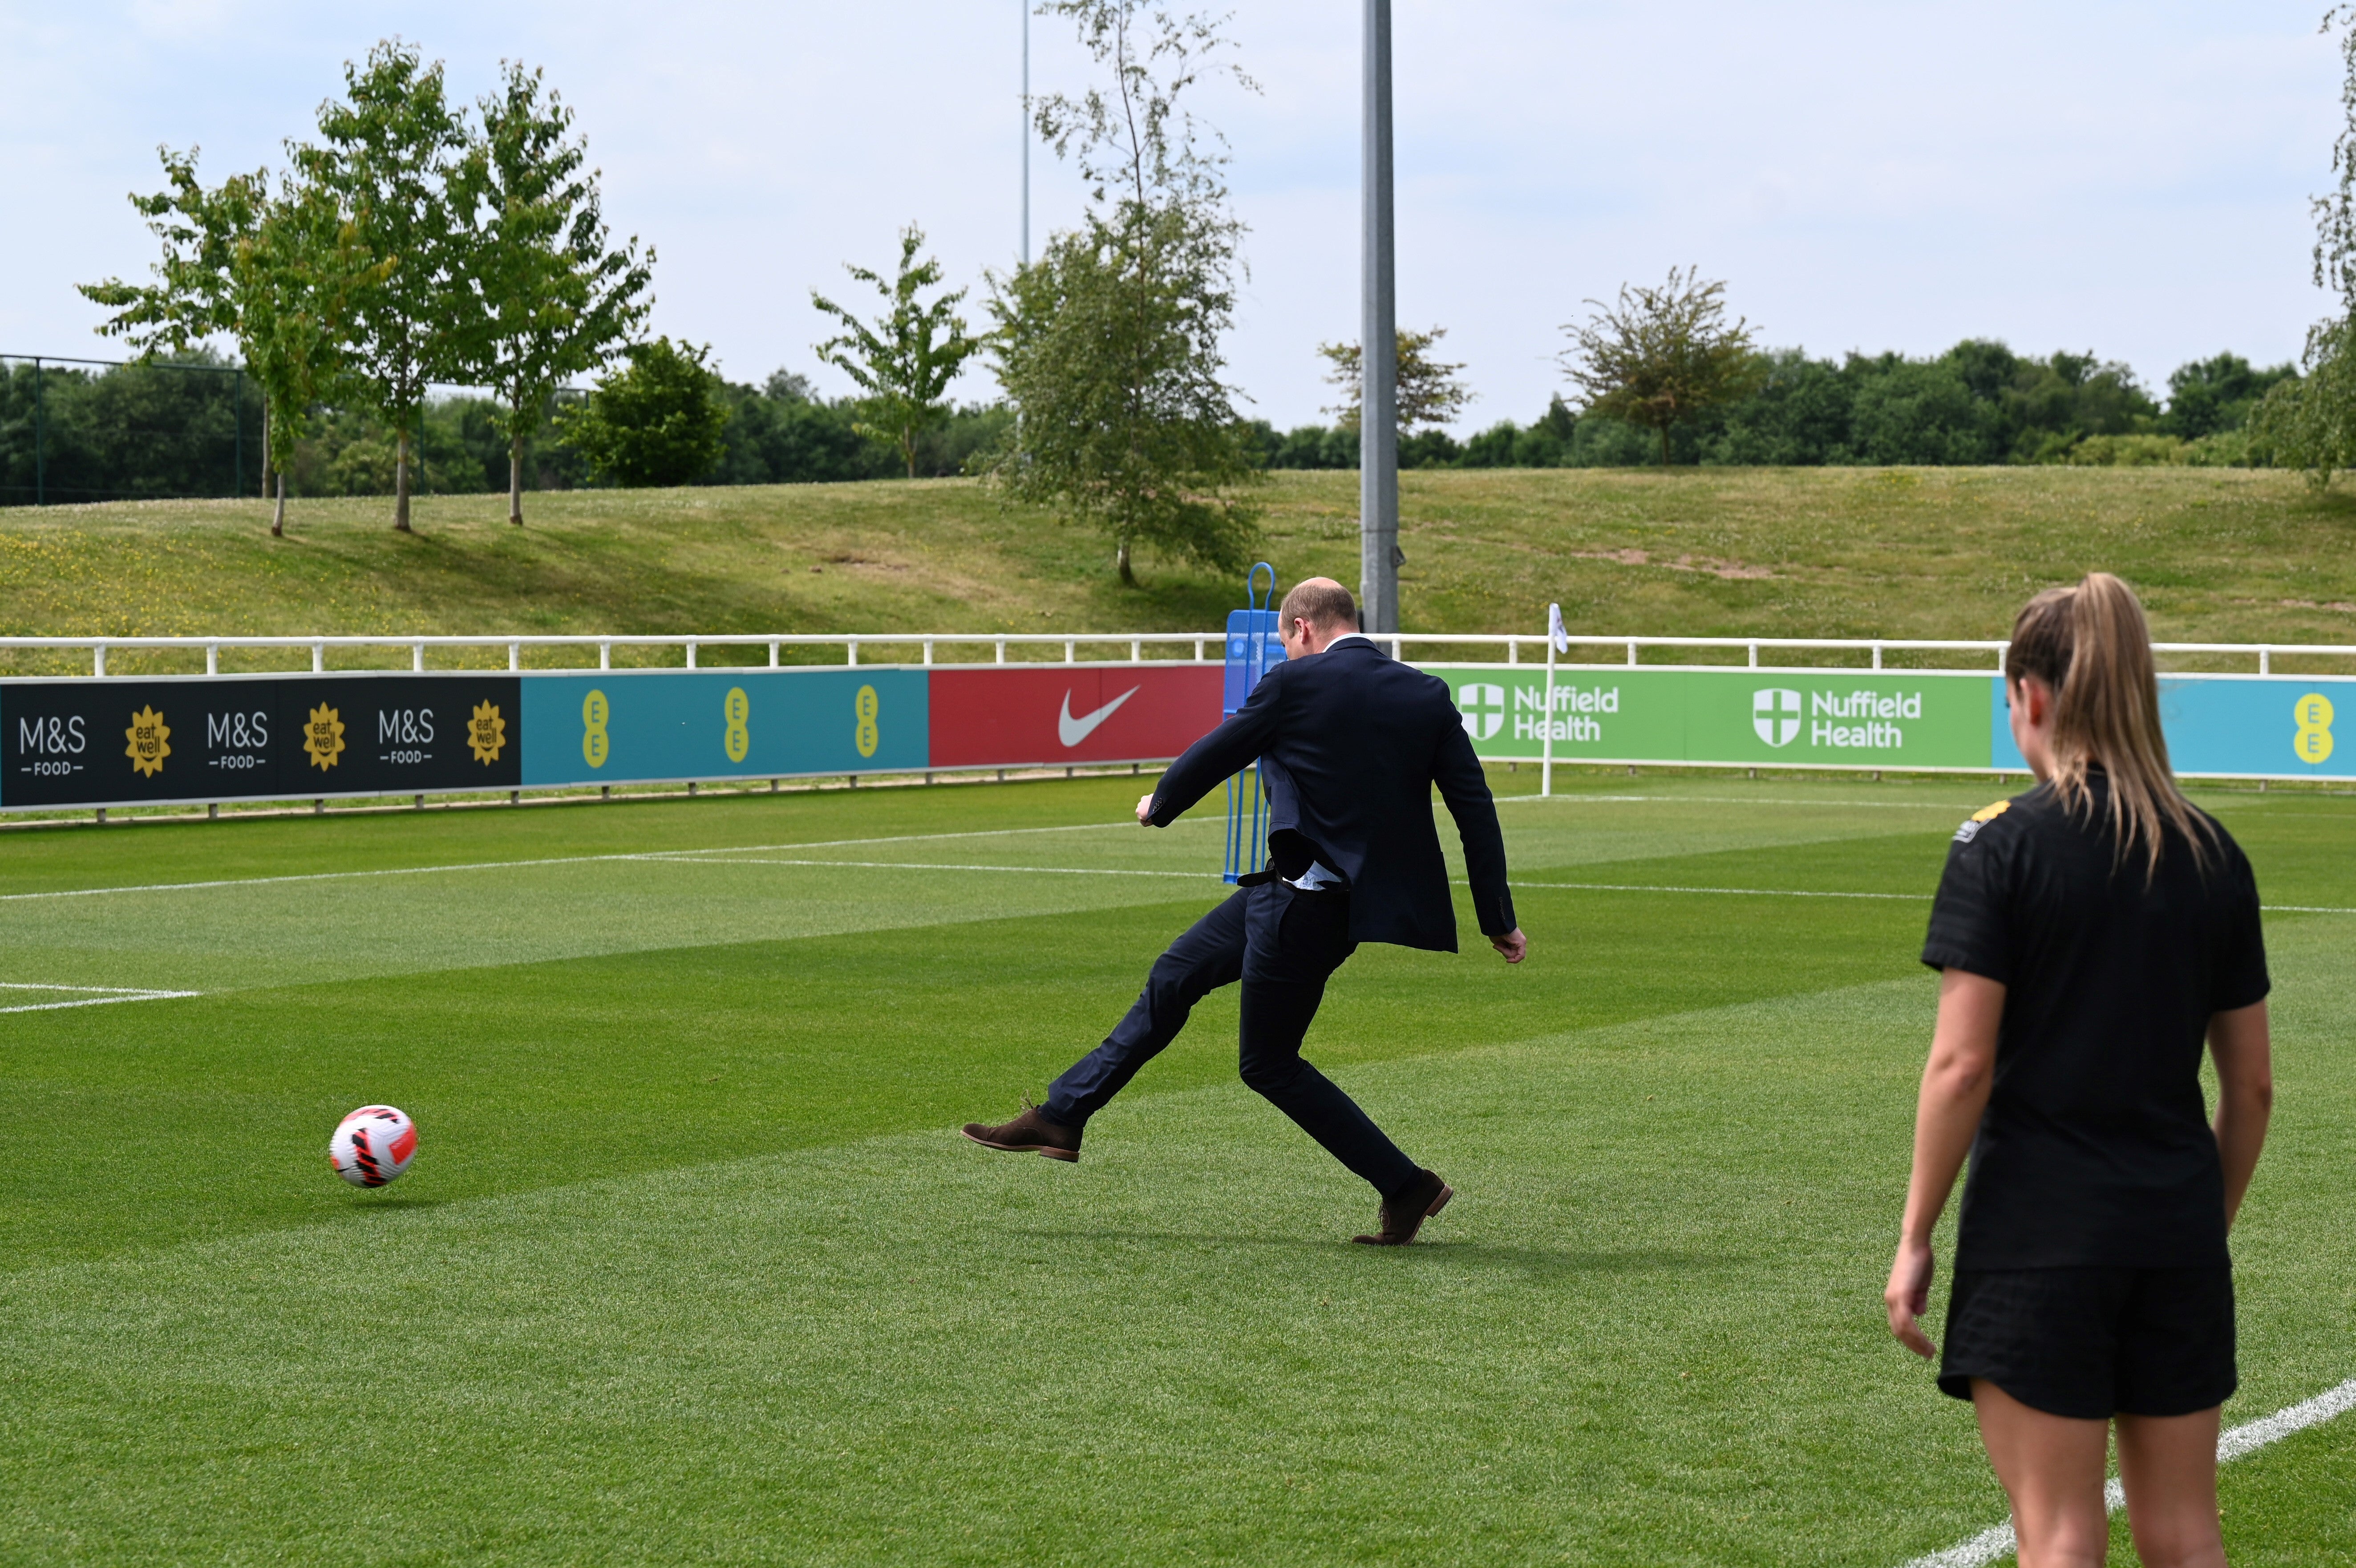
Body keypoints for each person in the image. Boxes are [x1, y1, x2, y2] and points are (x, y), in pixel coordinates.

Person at [1884, 572, 2274, 1568]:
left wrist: (1916, 1234)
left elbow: (1961, 1064)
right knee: (2187, 1535)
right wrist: (2197, 1222)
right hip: (2174, 1234)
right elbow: (2252, 1088)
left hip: (2039, 1238)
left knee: (2059, 1534)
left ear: (2033, 696)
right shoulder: (2212, 852)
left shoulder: (2001, 845)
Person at [962, 577, 1527, 1244]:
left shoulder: (1295, 683)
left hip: (1306, 906)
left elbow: (1222, 748)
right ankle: (1063, 1114)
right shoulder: (1425, 694)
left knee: (1268, 1063)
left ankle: (1407, 1186)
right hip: (1308, 896)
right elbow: (1474, 809)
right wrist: (1497, 916)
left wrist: (1160, 805)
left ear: (1303, 631)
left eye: (1286, 642)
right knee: (1175, 974)